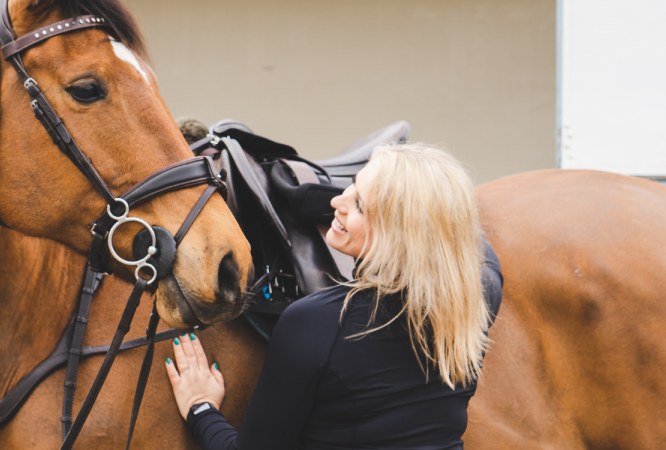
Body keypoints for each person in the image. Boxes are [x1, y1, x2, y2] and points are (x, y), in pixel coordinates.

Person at [165, 143, 504, 450]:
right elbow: (464, 238)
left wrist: (200, 407)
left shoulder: (316, 322)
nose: (335, 202)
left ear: (399, 233)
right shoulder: (478, 295)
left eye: (358, 205)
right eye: (351, 185)